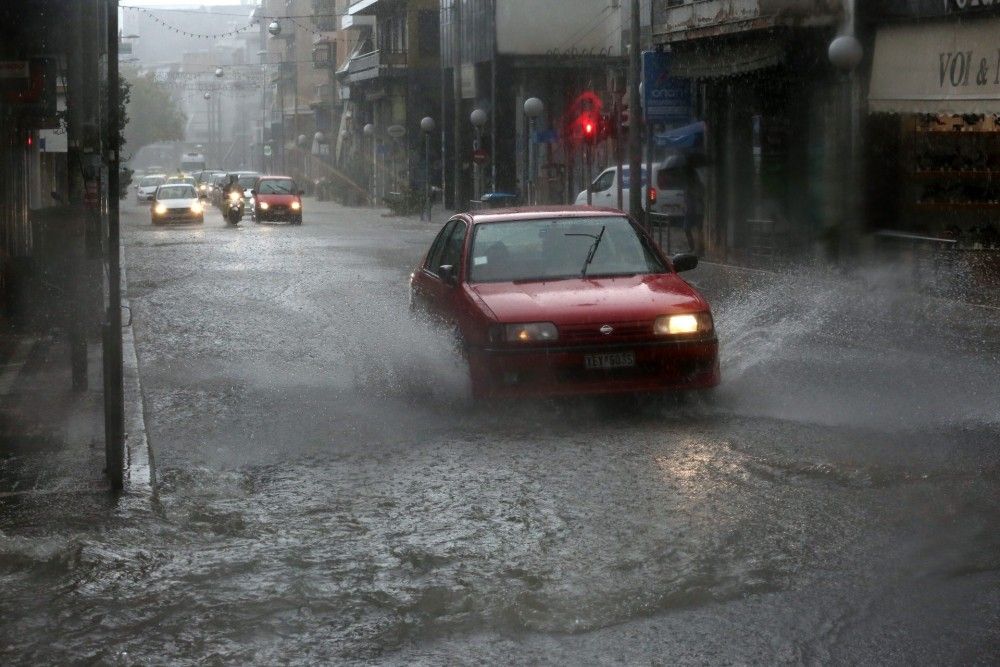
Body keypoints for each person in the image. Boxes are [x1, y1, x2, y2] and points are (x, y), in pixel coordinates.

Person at [683, 163, 703, 254]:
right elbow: (686, 198)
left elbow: (700, 196)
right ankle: (693, 247)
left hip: (697, 211)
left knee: (698, 230)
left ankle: (700, 249)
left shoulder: (698, 185)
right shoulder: (687, 185)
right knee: (687, 229)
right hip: (690, 210)